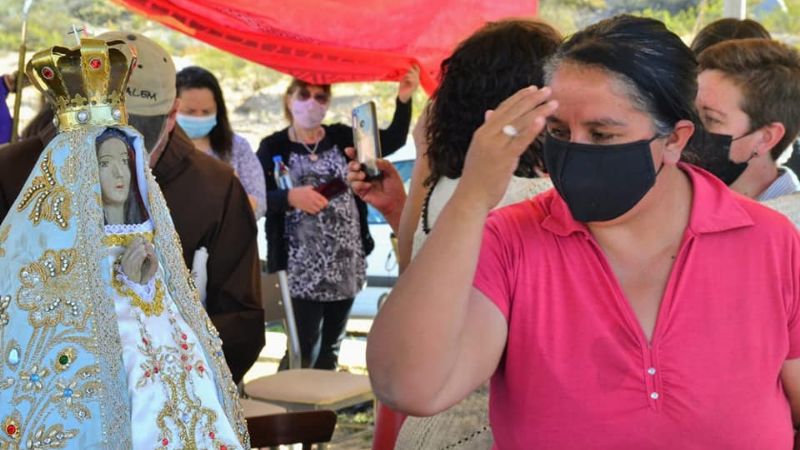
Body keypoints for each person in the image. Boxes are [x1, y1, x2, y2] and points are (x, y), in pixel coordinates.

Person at [367, 15, 800, 449]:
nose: (575, 151)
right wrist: (472, 198)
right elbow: (410, 385)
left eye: (602, 134)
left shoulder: (769, 240)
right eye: (559, 132)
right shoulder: (513, 239)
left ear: (675, 140)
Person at [0, 37, 248, 448]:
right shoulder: (37, 229)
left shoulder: (180, 211)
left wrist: (143, 287)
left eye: (124, 161)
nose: (119, 174)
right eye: (104, 162)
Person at [349, 19, 560, 449]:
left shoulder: (448, 187)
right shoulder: (533, 198)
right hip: (489, 430)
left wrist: (419, 165)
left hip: (426, 430)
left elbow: (415, 272)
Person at [257, 68, 419, 371]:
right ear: (289, 99)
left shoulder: (342, 136)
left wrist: (404, 99)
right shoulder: (273, 146)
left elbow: (392, 140)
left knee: (330, 351)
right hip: (298, 271)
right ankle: (292, 413)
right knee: (301, 350)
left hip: (345, 264)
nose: (311, 102)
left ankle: (321, 416)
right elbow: (255, 197)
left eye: (320, 96)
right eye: (304, 94)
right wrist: (290, 198)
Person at [694, 38, 800, 200]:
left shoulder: (790, 222)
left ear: (766, 138)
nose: (686, 127)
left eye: (711, 119)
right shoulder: (689, 201)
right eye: (690, 111)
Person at [176, 66, 266, 218]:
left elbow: (260, 205)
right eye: (189, 111)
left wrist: (233, 192)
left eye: (206, 111)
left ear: (218, 110)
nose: (198, 117)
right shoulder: (155, 148)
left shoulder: (238, 148)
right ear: (172, 107)